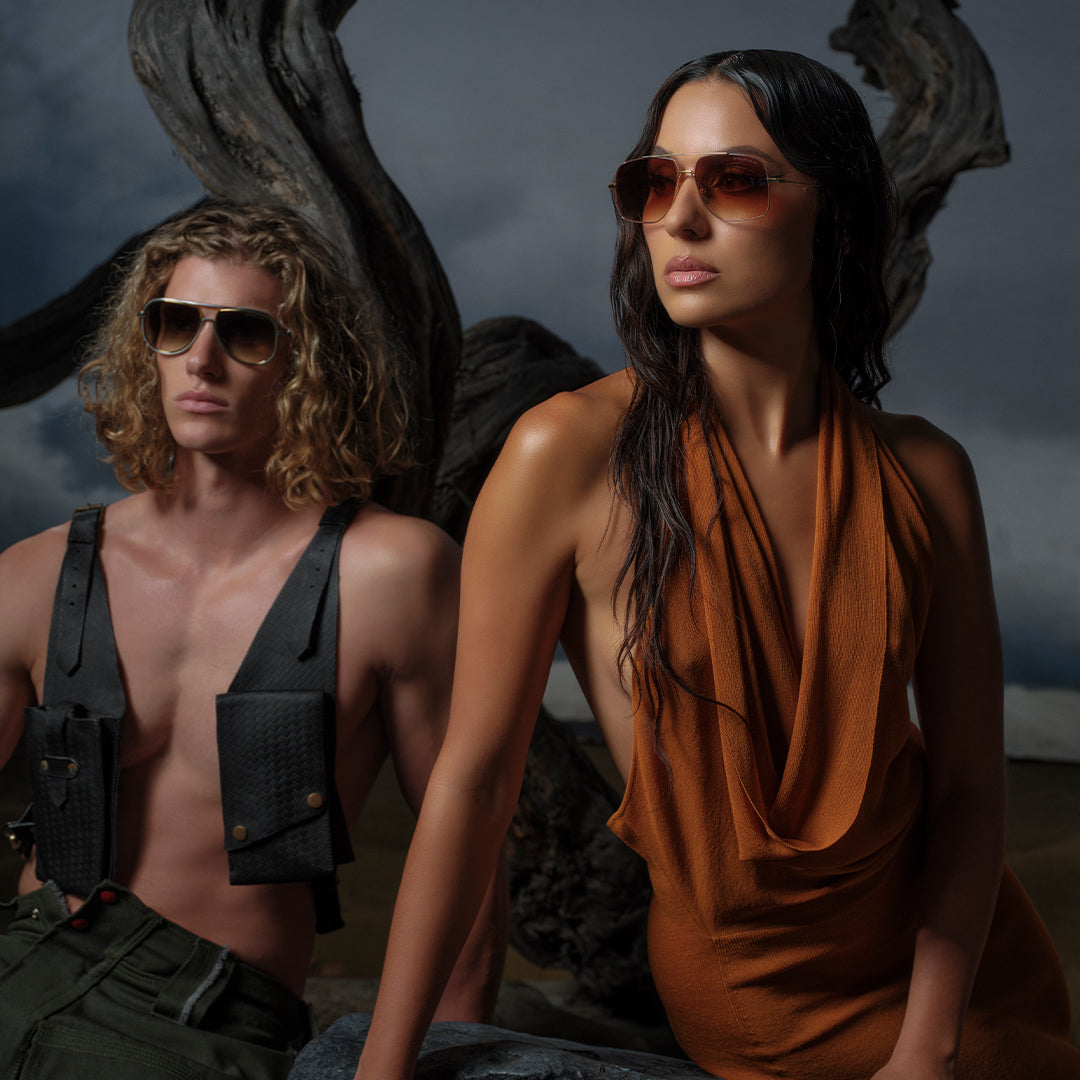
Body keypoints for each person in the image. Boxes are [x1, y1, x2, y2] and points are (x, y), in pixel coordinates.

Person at [353, 50, 1079, 1080]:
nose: (680, 219)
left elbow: (966, 789)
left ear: (836, 208)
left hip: (961, 987)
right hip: (756, 1000)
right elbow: (472, 786)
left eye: (734, 178)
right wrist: (383, 1068)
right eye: (656, 180)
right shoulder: (564, 454)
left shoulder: (927, 472)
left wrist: (929, 1048)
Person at [0, 200, 506, 1079]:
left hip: (208, 1018)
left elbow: (464, 849)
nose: (201, 359)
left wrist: (418, 1063)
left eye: (244, 332)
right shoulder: (36, 573)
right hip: (26, 963)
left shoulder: (392, 572)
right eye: (175, 324)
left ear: (304, 363)